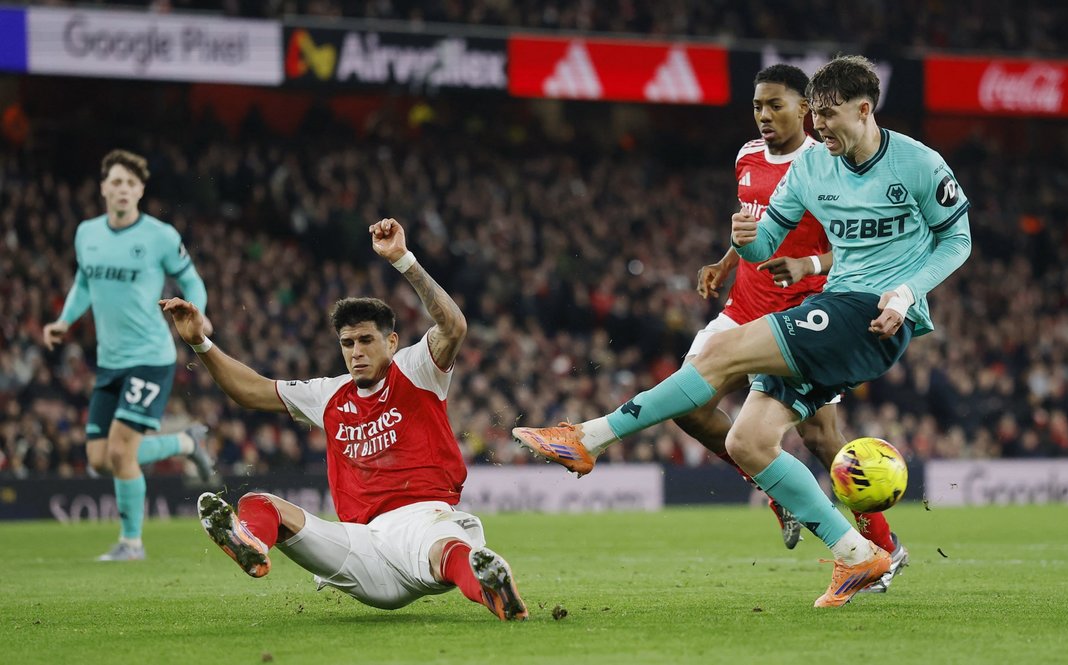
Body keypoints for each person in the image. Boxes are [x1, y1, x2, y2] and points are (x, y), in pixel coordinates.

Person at [515, 55, 972, 607]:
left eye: (828, 115)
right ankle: (859, 556)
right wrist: (743, 240)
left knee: (722, 354)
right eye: (816, 116)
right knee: (748, 443)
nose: (819, 127)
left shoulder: (918, 163)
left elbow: (958, 240)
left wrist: (906, 292)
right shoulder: (811, 168)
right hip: (832, 306)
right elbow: (764, 245)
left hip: (871, 313)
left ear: (864, 109)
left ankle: (586, 439)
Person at [161, 217, 528, 621]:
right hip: (362, 544)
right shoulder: (329, 394)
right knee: (258, 503)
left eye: (366, 340)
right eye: (347, 343)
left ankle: (494, 591)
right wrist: (200, 342)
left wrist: (404, 260)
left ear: (391, 341)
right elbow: (250, 391)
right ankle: (250, 545)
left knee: (446, 551)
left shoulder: (416, 368)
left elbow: (453, 325)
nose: (356, 352)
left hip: (424, 521)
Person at [42, 149, 215, 562]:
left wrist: (199, 312)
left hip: (150, 357)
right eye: (116, 182)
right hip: (110, 362)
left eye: (130, 183)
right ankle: (185, 442)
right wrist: (64, 321)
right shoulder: (86, 233)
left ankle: (131, 544)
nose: (123, 189)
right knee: (99, 460)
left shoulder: (160, 236)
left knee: (121, 451)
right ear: (104, 188)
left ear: (140, 190)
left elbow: (190, 279)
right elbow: (84, 282)